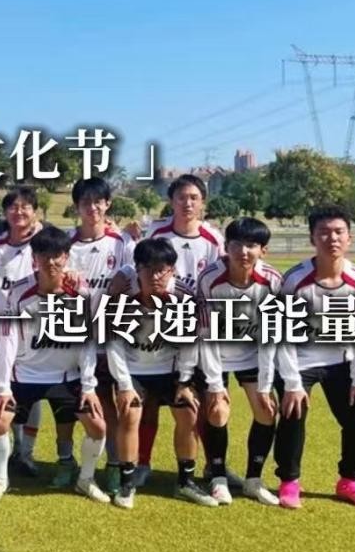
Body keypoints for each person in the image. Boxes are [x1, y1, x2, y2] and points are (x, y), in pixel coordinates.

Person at [0, 226, 109, 504]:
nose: (51, 262)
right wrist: (3, 388)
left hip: (65, 376)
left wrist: (89, 387)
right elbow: (8, 341)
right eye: (44, 255)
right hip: (24, 375)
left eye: (57, 255)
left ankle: (85, 480)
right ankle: (1, 480)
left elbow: (87, 343)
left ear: (66, 257)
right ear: (34, 258)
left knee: (98, 426)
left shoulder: (81, 293)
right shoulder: (19, 293)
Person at [273, 205, 355, 510]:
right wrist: (292, 383)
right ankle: (289, 481)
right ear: (312, 238)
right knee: (293, 411)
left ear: (349, 238)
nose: (332, 238)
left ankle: (350, 480)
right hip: (298, 361)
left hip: (340, 360)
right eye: (323, 232)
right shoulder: (295, 280)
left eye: (338, 232)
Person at [135, 173, 227, 489]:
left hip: (197, 332)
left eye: (194, 198)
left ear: (203, 203)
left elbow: (219, 280)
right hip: (158, 328)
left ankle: (212, 467)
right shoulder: (156, 232)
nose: (187, 203)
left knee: (199, 403)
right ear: (171, 201)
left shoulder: (213, 239)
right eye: (181, 197)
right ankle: (142, 464)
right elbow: (138, 265)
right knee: (148, 403)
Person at [105, 238, 208, 509]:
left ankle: (185, 482)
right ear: (136, 270)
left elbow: (189, 344)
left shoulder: (183, 298)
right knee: (130, 413)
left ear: (172, 270)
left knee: (188, 412)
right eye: (148, 269)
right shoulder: (122, 299)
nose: (155, 276)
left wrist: (185, 382)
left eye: (162, 269)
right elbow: (114, 346)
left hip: (169, 369)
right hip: (134, 370)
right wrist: (124, 385)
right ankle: (127, 483)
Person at [194, 217, 287, 505]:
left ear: (263, 250)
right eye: (236, 244)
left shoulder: (273, 281)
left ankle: (253, 480)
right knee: (217, 412)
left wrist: (265, 385)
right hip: (216, 356)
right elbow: (205, 335)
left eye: (251, 245)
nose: (243, 252)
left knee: (266, 411)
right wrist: (214, 385)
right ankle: (218, 477)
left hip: (253, 355)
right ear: (226, 247)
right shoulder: (210, 278)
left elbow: (271, 336)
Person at [66, 177, 134, 494]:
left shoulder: (121, 242)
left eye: (98, 201)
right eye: (85, 202)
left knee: (121, 401)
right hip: (79, 337)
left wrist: (124, 273)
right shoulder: (67, 244)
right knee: (90, 402)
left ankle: (117, 465)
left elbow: (137, 267)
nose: (92, 208)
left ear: (107, 204)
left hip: (115, 336)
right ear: (77, 207)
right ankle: (71, 462)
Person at [0, 187, 49, 484]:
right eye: (13, 207)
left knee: (32, 398)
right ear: (4, 212)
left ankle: (26, 452)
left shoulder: (45, 244)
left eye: (26, 207)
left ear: (35, 211)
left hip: (36, 339)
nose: (19, 212)